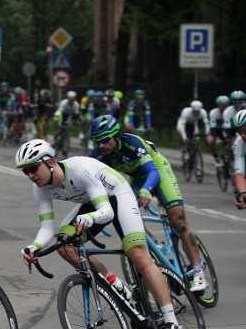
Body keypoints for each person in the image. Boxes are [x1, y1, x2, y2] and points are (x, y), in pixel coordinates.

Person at [15, 139, 184, 329]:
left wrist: (90, 218)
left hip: (117, 197)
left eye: (33, 168)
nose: (30, 176)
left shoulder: (80, 169)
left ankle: (171, 321)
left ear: (49, 162)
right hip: (91, 203)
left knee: (138, 255)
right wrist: (34, 246)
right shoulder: (40, 188)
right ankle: (117, 285)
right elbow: (46, 227)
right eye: (25, 172)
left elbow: (106, 211)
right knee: (65, 245)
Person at [88, 115, 206, 292]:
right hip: (137, 178)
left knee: (178, 220)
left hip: (158, 172)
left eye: (104, 140)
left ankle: (198, 271)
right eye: (97, 141)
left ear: (115, 136)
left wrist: (146, 190)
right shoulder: (98, 155)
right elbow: (96, 185)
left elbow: (152, 171)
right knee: (125, 213)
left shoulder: (132, 143)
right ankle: (153, 241)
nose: (101, 145)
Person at [231, 109, 246, 209]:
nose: (243, 135)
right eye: (240, 131)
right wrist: (243, 194)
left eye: (245, 130)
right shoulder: (239, 142)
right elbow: (239, 174)